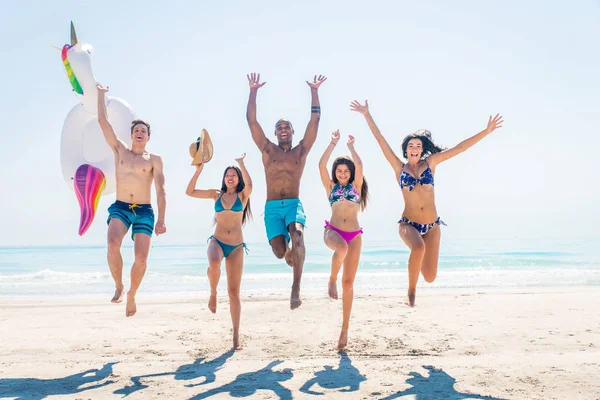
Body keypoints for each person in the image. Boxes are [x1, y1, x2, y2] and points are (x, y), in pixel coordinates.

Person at [350, 99, 503, 307]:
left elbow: (460, 148)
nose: (415, 148)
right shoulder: (399, 168)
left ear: (422, 150)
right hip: (408, 224)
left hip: (432, 225)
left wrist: (486, 131)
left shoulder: (431, 164)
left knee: (430, 276)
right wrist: (367, 114)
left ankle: (418, 272)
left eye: (418, 146)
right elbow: (379, 139)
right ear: (406, 150)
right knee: (418, 248)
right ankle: (411, 294)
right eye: (411, 145)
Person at [246, 72, 327, 310]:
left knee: (298, 235)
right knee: (280, 253)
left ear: (293, 132)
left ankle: (296, 288)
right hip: (271, 208)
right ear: (275, 133)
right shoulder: (267, 150)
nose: (283, 129)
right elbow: (252, 122)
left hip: (293, 204)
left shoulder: (300, 152)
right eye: (279, 127)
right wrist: (253, 91)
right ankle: (291, 251)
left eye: (287, 127)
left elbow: (315, 123)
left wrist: (314, 91)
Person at [97, 83, 167, 317]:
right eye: (136, 130)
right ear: (131, 135)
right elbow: (103, 124)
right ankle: (118, 285)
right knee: (112, 243)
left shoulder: (154, 159)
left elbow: (161, 189)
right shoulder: (121, 150)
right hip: (121, 207)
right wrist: (100, 95)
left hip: (145, 211)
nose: (139, 133)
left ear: (148, 137)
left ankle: (132, 294)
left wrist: (162, 219)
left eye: (143, 131)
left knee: (141, 258)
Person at [186, 154, 252, 350]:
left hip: (237, 247)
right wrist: (198, 171)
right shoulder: (216, 195)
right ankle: (213, 293)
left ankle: (236, 337)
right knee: (214, 262)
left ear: (238, 179)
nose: (230, 178)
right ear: (223, 179)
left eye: (234, 175)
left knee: (234, 293)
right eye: (227, 175)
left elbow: (251, 186)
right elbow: (190, 191)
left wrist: (241, 163)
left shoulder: (243, 196)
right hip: (218, 241)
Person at [318, 129, 369, 350]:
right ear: (335, 173)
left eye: (345, 171)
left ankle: (344, 329)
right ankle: (331, 278)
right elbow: (320, 164)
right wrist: (332, 143)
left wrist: (350, 147)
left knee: (348, 284)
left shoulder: (356, 187)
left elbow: (360, 166)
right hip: (334, 231)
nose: (342, 173)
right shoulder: (331, 187)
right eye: (339, 170)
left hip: (355, 235)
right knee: (341, 248)